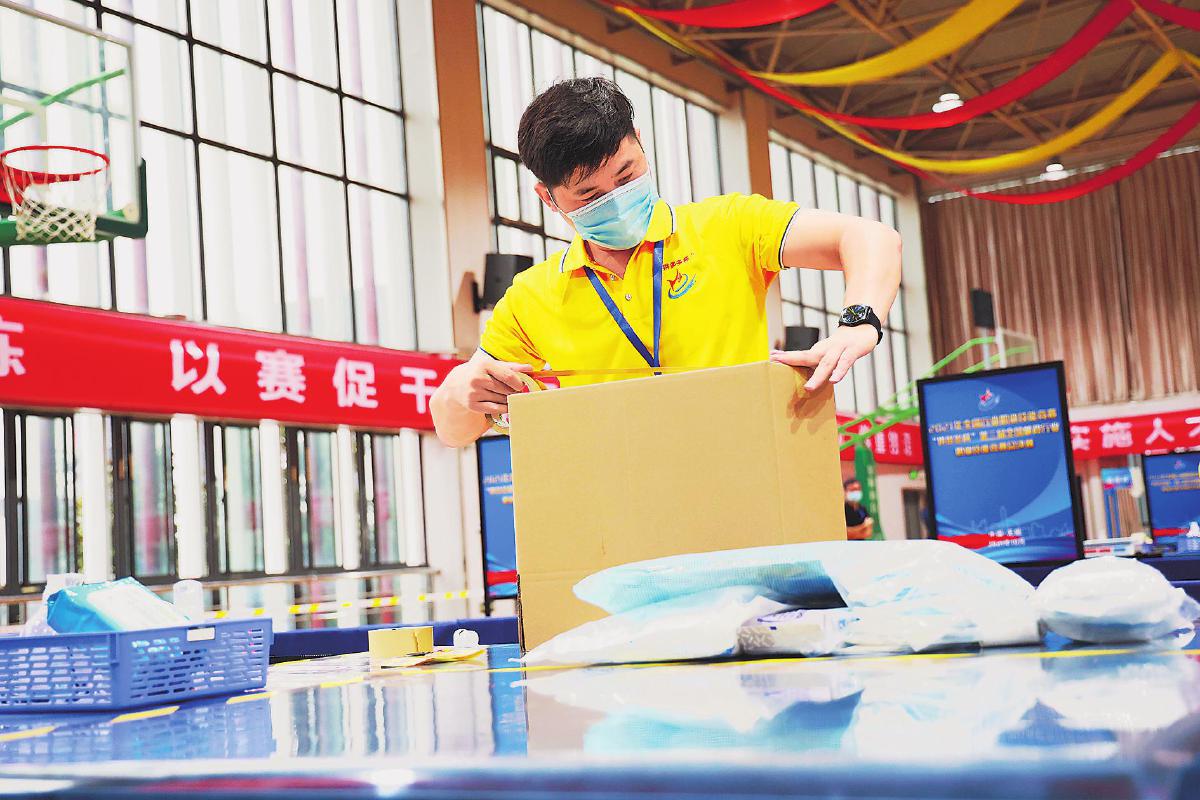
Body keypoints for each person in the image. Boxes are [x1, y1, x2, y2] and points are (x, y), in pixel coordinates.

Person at [431, 77, 902, 447]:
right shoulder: (533, 297)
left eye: (626, 175)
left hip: (747, 476)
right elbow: (453, 430)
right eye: (589, 195)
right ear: (548, 198)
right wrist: (462, 391)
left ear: (640, 142)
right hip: (626, 505)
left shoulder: (730, 226)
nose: (616, 200)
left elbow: (869, 237)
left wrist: (858, 325)